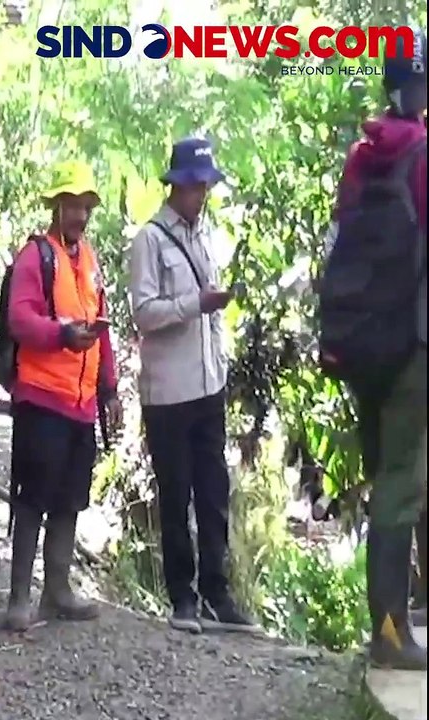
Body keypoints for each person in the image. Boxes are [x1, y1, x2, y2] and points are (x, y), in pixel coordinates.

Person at [322, 28, 426, 669]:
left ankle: (390, 626)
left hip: (361, 343)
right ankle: (391, 635)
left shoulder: (362, 155)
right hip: (412, 343)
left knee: (385, 472)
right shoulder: (422, 154)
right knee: (401, 484)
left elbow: (339, 239)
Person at [128, 137, 258, 635]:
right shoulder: (150, 240)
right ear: (175, 186)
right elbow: (144, 313)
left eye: (205, 186)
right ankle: (182, 598)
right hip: (168, 391)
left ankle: (217, 593)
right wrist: (193, 305)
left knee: (213, 491)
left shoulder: (206, 236)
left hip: (208, 385)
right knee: (176, 493)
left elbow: (210, 309)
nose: (200, 195)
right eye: (193, 186)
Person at [1, 161, 120, 630]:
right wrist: (61, 334)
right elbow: (19, 319)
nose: (81, 215)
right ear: (56, 207)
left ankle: (57, 591)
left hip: (81, 403)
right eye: (73, 206)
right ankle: (18, 598)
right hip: (41, 397)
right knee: (33, 498)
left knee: (70, 500)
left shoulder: (89, 260)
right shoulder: (36, 256)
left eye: (86, 207)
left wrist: (109, 389)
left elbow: (102, 330)